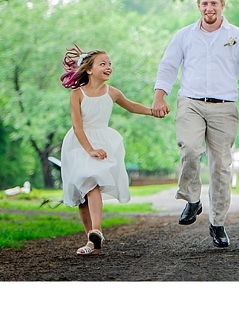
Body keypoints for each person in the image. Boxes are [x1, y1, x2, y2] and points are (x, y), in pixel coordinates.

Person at [152, 0, 239, 248]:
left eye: (214, 3)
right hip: (190, 102)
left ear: (222, 5)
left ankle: (217, 223)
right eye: (204, 4)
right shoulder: (184, 36)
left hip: (224, 107)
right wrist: (160, 95)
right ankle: (192, 199)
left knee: (221, 167)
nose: (209, 8)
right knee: (190, 149)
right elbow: (168, 66)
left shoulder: (237, 36)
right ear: (198, 6)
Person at [59, 45, 164, 256]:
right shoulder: (77, 95)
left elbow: (132, 106)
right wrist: (89, 150)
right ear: (89, 69)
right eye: (103, 64)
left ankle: (96, 231)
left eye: (110, 64)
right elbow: (78, 127)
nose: (108, 67)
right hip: (80, 144)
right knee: (83, 193)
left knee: (92, 182)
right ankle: (91, 239)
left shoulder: (112, 92)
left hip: (103, 142)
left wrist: (153, 111)